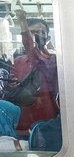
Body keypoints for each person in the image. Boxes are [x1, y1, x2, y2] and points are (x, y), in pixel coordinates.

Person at [11, 9, 58, 137]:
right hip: (21, 119)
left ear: (48, 38)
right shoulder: (18, 61)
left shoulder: (53, 60)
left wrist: (22, 23)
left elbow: (34, 55)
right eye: (33, 33)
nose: (37, 36)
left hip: (46, 119)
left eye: (41, 33)